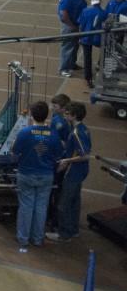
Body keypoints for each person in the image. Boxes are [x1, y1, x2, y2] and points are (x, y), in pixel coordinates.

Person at [12, 101, 65, 253]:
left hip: (26, 174)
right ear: (47, 115)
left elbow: (15, 152)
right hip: (46, 175)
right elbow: (58, 155)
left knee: (26, 206)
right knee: (41, 207)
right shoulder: (53, 135)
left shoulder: (25, 133)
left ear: (31, 115)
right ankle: (37, 238)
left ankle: (23, 238)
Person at [47, 101, 91, 243]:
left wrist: (66, 161)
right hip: (81, 171)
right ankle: (73, 229)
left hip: (74, 172)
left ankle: (64, 234)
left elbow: (83, 154)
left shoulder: (76, 133)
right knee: (74, 201)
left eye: (67, 114)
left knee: (64, 203)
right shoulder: (84, 129)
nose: (64, 116)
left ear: (74, 116)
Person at [57, 0, 86, 75]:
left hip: (76, 24)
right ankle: (63, 69)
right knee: (68, 46)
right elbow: (64, 14)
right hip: (69, 25)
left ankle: (72, 64)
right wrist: (71, 26)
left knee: (75, 46)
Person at [78, 0, 106, 88]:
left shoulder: (85, 11)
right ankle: (100, 66)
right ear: (100, 1)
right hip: (98, 38)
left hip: (86, 37)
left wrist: (80, 37)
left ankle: (88, 79)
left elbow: (81, 25)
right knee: (105, 51)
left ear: (91, 1)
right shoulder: (103, 13)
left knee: (87, 58)